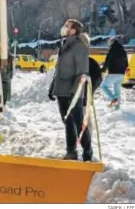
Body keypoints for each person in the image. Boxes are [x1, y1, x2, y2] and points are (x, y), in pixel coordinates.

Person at [48, 19, 93, 161]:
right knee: (67, 122)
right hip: (62, 90)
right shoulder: (65, 45)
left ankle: (87, 151)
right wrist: (52, 87)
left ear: (73, 30)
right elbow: (59, 70)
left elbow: (82, 71)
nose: (64, 28)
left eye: (67, 26)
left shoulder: (79, 46)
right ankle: (71, 151)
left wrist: (75, 92)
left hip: (73, 91)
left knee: (79, 122)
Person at [100, 37, 128, 110]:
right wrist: (122, 71)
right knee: (117, 91)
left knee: (103, 86)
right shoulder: (123, 51)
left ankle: (113, 98)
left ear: (112, 43)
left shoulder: (112, 50)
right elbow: (126, 63)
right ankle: (117, 108)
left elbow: (107, 62)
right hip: (121, 74)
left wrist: (103, 70)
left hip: (113, 73)